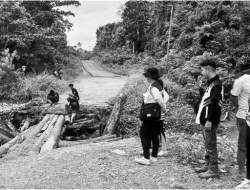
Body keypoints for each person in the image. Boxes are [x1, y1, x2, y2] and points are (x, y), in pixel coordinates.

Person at [194, 59, 223, 179]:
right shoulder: (211, 84)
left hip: (208, 120)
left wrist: (210, 120)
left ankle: (213, 169)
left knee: (210, 145)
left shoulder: (216, 85)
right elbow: (207, 101)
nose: (201, 73)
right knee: (207, 143)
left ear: (208, 69)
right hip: (205, 119)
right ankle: (207, 165)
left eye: (202, 70)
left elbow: (215, 104)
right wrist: (201, 89)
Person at [135, 67, 168, 166]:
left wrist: (164, 109)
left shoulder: (153, 88)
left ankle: (146, 158)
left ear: (150, 77)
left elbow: (160, 101)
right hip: (155, 114)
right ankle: (153, 156)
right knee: (154, 133)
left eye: (147, 76)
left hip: (151, 114)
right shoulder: (158, 85)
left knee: (143, 133)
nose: (146, 78)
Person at [230, 70, 250, 179]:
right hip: (244, 117)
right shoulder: (242, 80)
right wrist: (241, 108)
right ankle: (242, 170)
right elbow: (233, 97)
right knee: (243, 145)